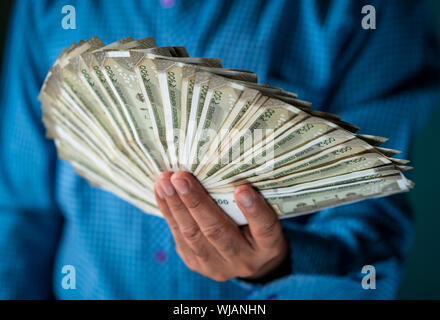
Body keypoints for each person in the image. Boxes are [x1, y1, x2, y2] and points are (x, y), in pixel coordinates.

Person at [0, 0, 438, 299]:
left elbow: (371, 232)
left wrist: (277, 265)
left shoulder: (372, 12)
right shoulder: (47, 7)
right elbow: (20, 209)